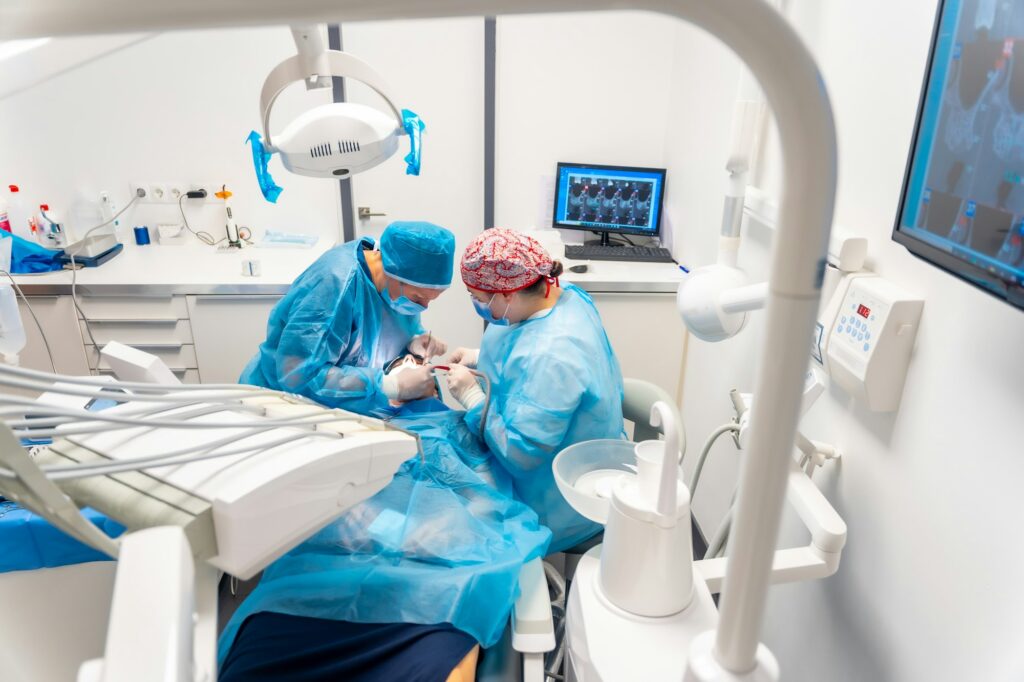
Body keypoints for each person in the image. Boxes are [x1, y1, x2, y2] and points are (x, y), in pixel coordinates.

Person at [446, 228, 625, 552]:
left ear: (507, 295)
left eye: (479, 298)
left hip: (558, 500)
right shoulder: (562, 294)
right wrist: (481, 357)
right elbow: (522, 348)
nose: (476, 304)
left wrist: (473, 398)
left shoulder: (552, 355)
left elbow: (520, 454)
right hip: (578, 453)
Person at [240, 221, 454, 417]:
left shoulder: (400, 279)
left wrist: (412, 340)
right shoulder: (334, 284)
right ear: (391, 271)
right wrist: (389, 385)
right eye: (418, 298)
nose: (423, 306)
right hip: (278, 406)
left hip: (338, 411)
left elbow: (385, 328)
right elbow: (298, 374)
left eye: (431, 300)